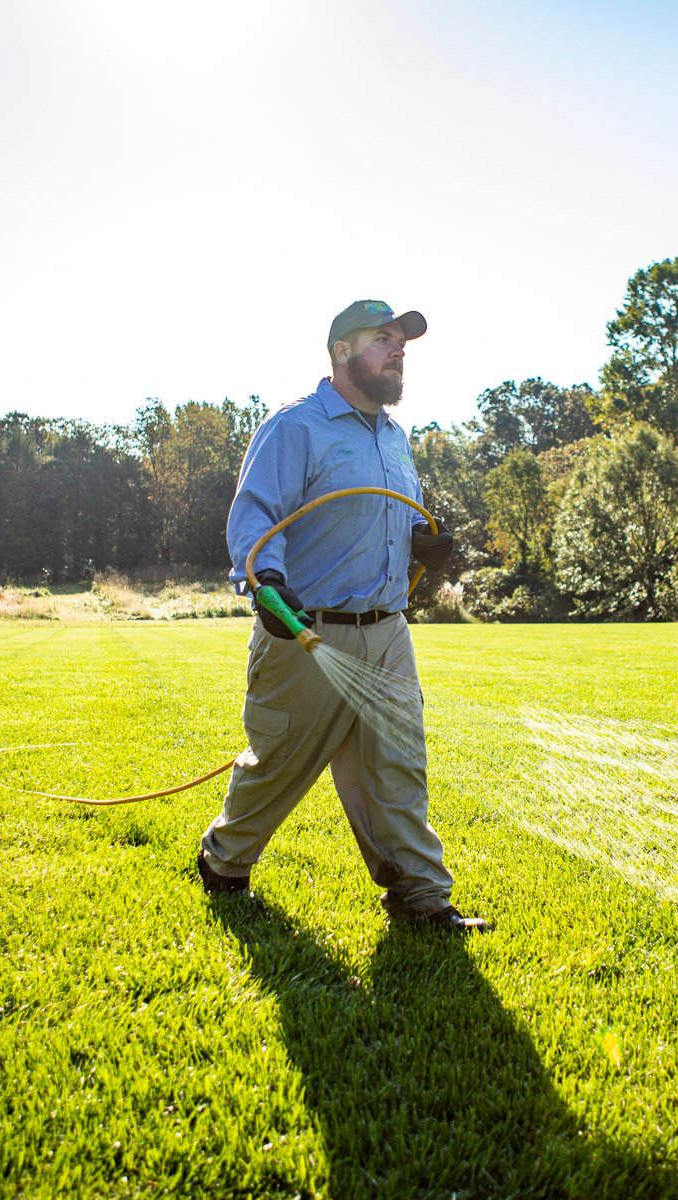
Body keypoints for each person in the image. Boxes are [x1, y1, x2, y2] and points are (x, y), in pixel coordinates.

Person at [196, 300, 489, 933]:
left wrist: (421, 541)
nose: (398, 350)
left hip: (386, 629)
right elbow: (256, 519)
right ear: (341, 353)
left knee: (399, 763)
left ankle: (419, 894)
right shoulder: (295, 427)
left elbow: (388, 516)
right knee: (279, 764)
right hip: (306, 632)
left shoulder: (394, 436)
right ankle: (224, 860)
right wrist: (268, 586)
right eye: (383, 339)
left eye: (402, 342)